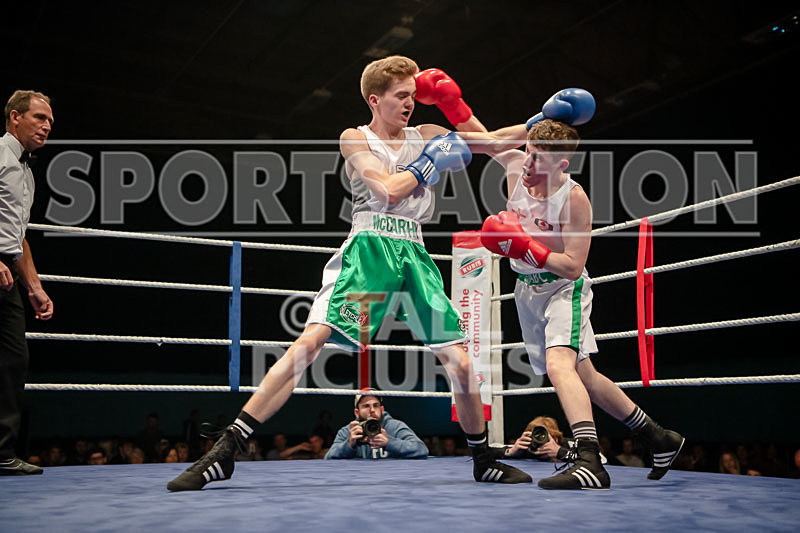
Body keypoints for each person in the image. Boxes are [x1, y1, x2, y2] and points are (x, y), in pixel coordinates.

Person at [168, 55, 534, 491]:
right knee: (310, 343)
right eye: (401, 96)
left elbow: (492, 142)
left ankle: (483, 459)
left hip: (415, 251)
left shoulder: (429, 134)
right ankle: (227, 448)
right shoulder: (354, 138)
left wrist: (539, 120)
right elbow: (386, 190)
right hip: (369, 248)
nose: (410, 104)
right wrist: (429, 163)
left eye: (414, 96)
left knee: (459, 360)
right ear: (375, 100)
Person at [480, 95, 684, 490]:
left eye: (539, 158)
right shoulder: (514, 167)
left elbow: (573, 265)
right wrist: (447, 105)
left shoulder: (573, 199)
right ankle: (659, 437)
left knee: (560, 365)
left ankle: (590, 459)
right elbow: (481, 137)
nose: (528, 163)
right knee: (584, 375)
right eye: (528, 152)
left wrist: (525, 246)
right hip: (526, 291)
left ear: (562, 164)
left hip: (564, 290)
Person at [0, 90, 54, 476]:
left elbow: (18, 236)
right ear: (15, 118)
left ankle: (1, 452)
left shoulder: (27, 174)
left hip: (8, 274)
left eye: (50, 121)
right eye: (39, 117)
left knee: (13, 361)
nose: (47, 125)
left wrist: (35, 288)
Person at [325, 391, 427, 459]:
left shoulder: (394, 426)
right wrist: (348, 445)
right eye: (366, 406)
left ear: (382, 410)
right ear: (357, 412)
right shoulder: (348, 431)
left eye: (376, 405)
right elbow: (328, 458)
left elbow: (421, 449)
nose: (372, 410)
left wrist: (390, 443)